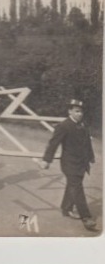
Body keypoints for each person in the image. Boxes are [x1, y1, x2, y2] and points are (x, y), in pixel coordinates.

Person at [40, 99, 97, 232]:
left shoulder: (83, 125)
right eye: (76, 111)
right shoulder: (63, 126)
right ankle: (86, 217)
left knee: (73, 186)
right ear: (70, 111)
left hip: (82, 163)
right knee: (77, 187)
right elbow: (53, 143)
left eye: (81, 112)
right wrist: (46, 160)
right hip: (69, 164)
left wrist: (91, 157)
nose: (79, 114)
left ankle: (66, 208)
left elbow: (87, 143)